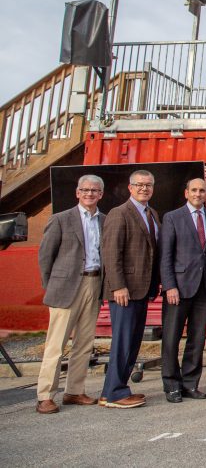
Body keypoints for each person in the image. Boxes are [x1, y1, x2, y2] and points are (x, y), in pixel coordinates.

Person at [35, 175, 106, 414]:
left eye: (94, 191)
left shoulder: (105, 221)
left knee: (84, 344)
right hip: (65, 288)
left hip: (94, 284)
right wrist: (52, 285)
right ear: (77, 193)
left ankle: (74, 391)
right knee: (56, 345)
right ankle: (45, 395)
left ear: (101, 195)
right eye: (85, 190)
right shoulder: (60, 220)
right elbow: (45, 257)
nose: (89, 194)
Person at [100, 169, 161, 409]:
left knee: (133, 342)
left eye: (148, 185)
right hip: (125, 291)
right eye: (139, 185)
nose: (144, 188)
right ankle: (116, 393)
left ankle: (111, 391)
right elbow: (111, 253)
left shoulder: (152, 214)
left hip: (142, 289)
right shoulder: (119, 214)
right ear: (130, 188)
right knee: (123, 342)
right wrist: (118, 286)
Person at [159, 177, 206, 403]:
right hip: (179, 288)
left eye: (202, 191)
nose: (198, 194)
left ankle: (190, 383)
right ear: (186, 193)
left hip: (204, 289)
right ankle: (171, 385)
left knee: (197, 338)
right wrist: (169, 286)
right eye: (194, 190)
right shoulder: (172, 218)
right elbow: (165, 256)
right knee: (171, 338)